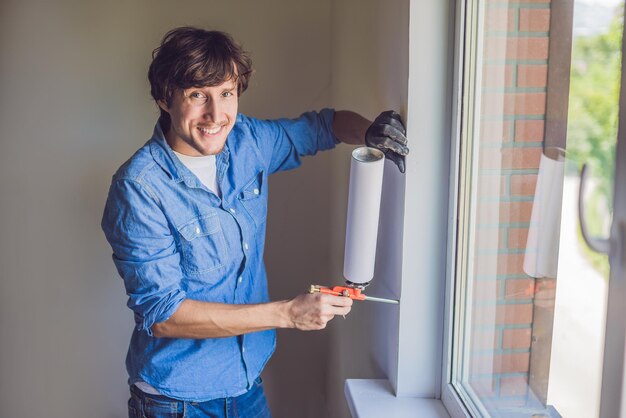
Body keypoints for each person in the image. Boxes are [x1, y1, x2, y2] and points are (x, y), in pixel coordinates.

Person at [101, 27, 408, 418]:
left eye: (226, 94)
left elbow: (323, 127)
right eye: (198, 96)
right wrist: (287, 314)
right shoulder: (138, 188)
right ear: (164, 98)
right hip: (176, 401)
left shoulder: (248, 140)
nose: (216, 115)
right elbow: (164, 316)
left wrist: (369, 130)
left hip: (246, 384)